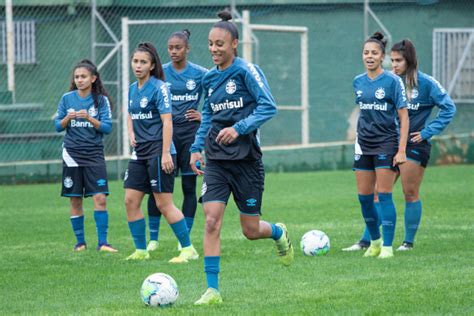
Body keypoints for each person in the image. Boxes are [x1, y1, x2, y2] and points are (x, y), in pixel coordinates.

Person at [190, 11, 294, 306]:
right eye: (210, 44)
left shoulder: (247, 71)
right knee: (211, 221)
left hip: (247, 160)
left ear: (234, 44)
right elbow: (208, 114)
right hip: (217, 161)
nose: (213, 49)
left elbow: (268, 107)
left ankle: (277, 232)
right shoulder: (208, 78)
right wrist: (196, 148)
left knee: (250, 230)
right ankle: (213, 290)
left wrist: (238, 129)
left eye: (220, 44)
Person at [343, 39, 456, 252]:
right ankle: (368, 240)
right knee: (378, 193)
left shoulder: (426, 83)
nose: (394, 65)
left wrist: (426, 132)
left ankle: (408, 242)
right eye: (392, 60)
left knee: (409, 192)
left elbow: (449, 108)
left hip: (414, 143)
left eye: (399, 60)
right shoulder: (388, 81)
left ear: (410, 61)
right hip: (389, 142)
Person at [123, 42, 198, 262]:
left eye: (143, 62)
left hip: (158, 149)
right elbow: (130, 113)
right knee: (130, 200)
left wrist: (166, 153)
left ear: (152, 65)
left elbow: (167, 122)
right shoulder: (131, 88)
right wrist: (130, 133)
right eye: (135, 61)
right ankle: (141, 250)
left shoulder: (160, 87)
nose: (138, 66)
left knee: (163, 203)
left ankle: (187, 249)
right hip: (140, 151)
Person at [146, 29, 208, 253]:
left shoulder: (201, 73)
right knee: (159, 187)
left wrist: (204, 115)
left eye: (177, 47)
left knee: (189, 186)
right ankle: (153, 239)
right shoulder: (161, 74)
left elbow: (215, 95)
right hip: (165, 135)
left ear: (187, 49)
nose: (173, 52)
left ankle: (185, 236)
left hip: (191, 135)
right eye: (170, 48)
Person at [351, 32, 409, 259]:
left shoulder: (393, 82)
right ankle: (374, 242)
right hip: (363, 145)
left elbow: (404, 117)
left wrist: (401, 149)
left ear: (383, 57)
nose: (369, 56)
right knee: (364, 198)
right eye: (366, 53)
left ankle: (387, 246)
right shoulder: (358, 81)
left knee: (384, 195)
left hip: (387, 144)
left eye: (374, 53)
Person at [54, 59, 117, 253]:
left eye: (83, 76)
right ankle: (80, 243)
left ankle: (103, 243)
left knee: (100, 198)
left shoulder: (101, 100)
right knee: (75, 199)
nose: (79, 80)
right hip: (72, 154)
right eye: (77, 77)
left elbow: (107, 127)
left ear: (93, 78)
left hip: (94, 154)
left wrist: (89, 118)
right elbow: (57, 126)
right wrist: (67, 118)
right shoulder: (67, 98)